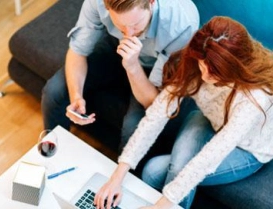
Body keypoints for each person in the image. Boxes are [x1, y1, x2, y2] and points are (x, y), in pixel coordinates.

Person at [94, 16, 273, 209]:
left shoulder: (255, 98)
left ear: (233, 68)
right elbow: (156, 116)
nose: (205, 77)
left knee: (153, 171)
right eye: (202, 67)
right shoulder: (198, 59)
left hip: (247, 147)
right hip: (211, 120)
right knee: (152, 170)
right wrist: (117, 176)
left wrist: (160, 206)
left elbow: (212, 155)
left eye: (214, 73)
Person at [41, 0, 199, 150]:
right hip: (116, 47)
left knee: (134, 129)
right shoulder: (99, 3)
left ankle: (123, 178)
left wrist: (132, 66)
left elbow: (154, 103)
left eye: (135, 24)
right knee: (54, 90)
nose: (129, 34)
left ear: (151, 2)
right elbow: (78, 51)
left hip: (154, 66)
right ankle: (53, 153)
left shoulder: (181, 25)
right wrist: (76, 97)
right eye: (121, 25)